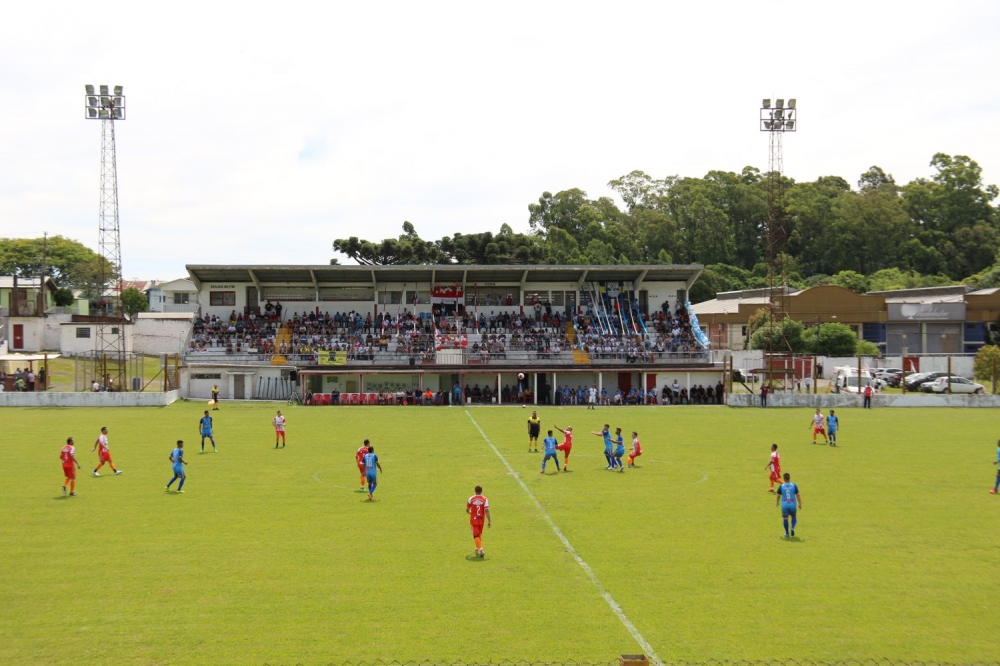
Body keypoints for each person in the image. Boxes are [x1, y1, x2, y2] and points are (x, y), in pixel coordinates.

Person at [466, 485, 491, 558]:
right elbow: (486, 510)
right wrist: (489, 520)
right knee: (479, 534)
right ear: (481, 491)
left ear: (475, 491)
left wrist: (470, 512)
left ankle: (481, 550)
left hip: (474, 520)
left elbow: (467, 509)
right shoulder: (485, 499)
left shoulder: (471, 499)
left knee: (475, 536)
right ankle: (476, 548)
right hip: (481, 519)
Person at [776, 472, 802, 538]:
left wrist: (777, 502)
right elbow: (798, 495)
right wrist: (800, 504)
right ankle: (792, 528)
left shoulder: (781, 486)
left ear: (784, 478)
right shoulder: (794, 485)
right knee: (794, 516)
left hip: (785, 505)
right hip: (792, 505)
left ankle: (787, 533)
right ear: (789, 478)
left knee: (785, 518)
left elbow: (778, 495)